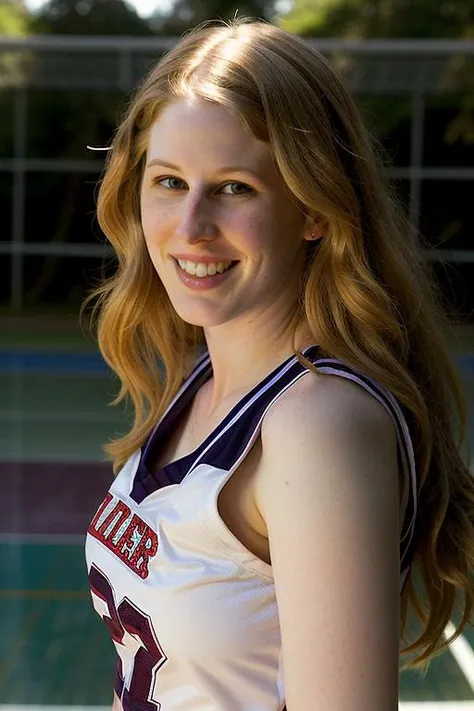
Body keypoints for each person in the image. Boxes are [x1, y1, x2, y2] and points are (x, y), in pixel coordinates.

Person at [83, 18, 474, 711]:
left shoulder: (317, 423)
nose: (192, 224)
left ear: (315, 210)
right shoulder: (200, 378)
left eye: (235, 187)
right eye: (169, 182)